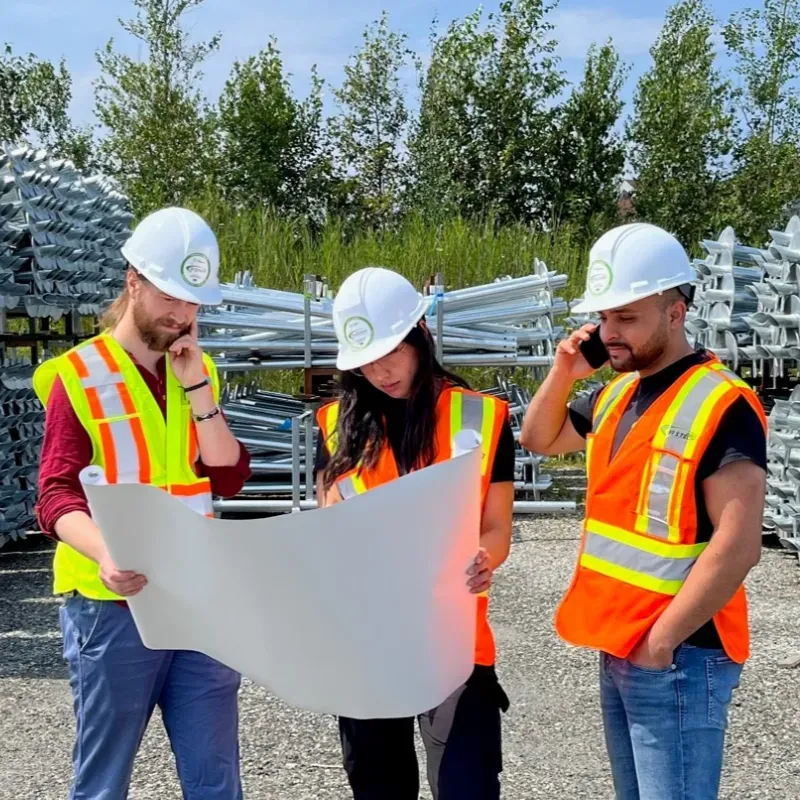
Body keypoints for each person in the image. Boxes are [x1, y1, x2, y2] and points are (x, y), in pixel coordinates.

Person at [520, 222, 768, 800]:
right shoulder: (616, 395)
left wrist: (661, 642)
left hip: (677, 653)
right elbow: (538, 437)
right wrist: (563, 370)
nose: (610, 333)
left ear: (676, 310)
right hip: (623, 644)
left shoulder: (720, 402)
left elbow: (738, 544)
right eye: (603, 318)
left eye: (627, 317)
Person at [34, 206, 252, 800]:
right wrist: (107, 553)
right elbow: (54, 494)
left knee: (216, 778)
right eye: (170, 297)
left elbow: (228, 476)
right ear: (133, 281)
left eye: (192, 301)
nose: (182, 314)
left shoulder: (196, 370)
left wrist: (199, 391)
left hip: (198, 601)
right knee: (103, 783)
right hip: (111, 605)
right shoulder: (77, 376)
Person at [314, 266, 515, 800]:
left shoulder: (483, 418)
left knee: (467, 787)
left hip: (454, 643)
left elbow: (495, 528)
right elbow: (326, 533)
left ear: (419, 335)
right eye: (365, 362)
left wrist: (484, 557)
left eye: (390, 352)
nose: (380, 371)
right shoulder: (336, 428)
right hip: (367, 647)